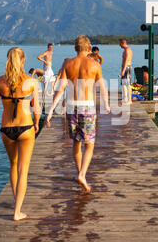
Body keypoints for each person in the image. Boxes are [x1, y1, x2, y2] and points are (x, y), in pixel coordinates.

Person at [46, 35, 110, 192]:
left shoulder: (68, 64)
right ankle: (82, 174)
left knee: (76, 142)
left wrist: (50, 110)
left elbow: (60, 89)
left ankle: (79, 172)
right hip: (87, 107)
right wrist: (107, 104)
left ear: (75, 48)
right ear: (89, 48)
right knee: (89, 144)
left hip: (71, 107)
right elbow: (102, 88)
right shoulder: (95, 65)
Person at [0, 47, 40, 221]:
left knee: (13, 165)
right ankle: (17, 211)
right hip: (25, 128)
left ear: (8, 60)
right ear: (23, 61)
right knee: (23, 170)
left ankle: (17, 201)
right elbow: (36, 108)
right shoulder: (31, 82)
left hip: (6, 130)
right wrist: (37, 122)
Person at [119, 38, 133, 104]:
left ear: (123, 43)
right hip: (125, 68)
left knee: (127, 84)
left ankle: (129, 100)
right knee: (123, 84)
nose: (119, 45)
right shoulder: (126, 50)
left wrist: (123, 70)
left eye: (120, 44)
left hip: (127, 68)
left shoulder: (127, 50)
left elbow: (127, 61)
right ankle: (125, 98)